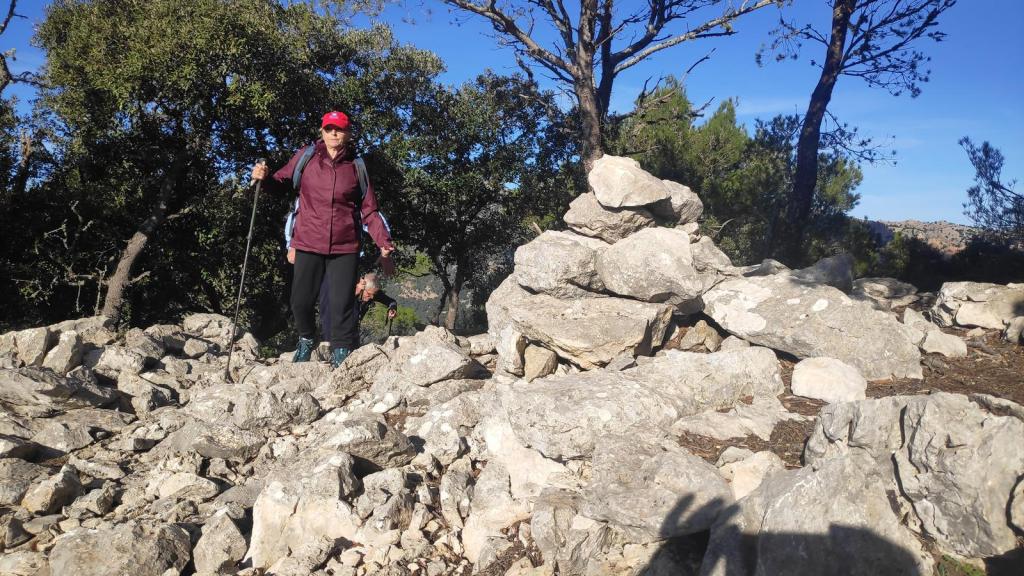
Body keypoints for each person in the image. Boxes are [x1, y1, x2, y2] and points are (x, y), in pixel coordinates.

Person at [252, 110, 395, 368]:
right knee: (300, 300)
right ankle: (307, 338)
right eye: (328, 128)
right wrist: (264, 179)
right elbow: (280, 182)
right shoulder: (306, 158)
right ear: (322, 131)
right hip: (308, 241)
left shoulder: (357, 167)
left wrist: (383, 242)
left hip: (345, 245)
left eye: (339, 129)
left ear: (349, 134)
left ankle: (341, 350)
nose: (333, 133)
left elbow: (370, 210)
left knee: (341, 302)